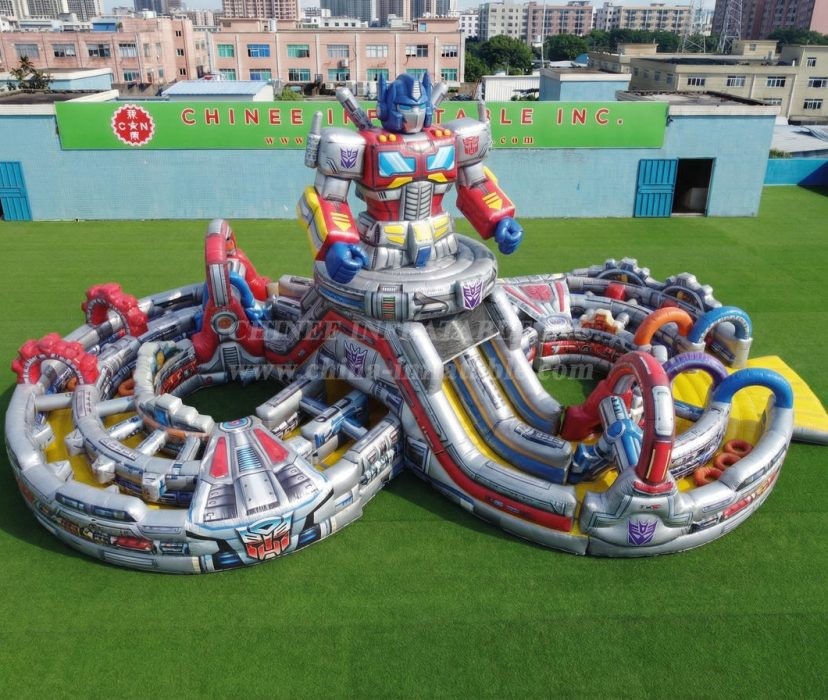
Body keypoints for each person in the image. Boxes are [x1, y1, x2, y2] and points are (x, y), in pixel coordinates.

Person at [299, 72, 523, 285]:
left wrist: (500, 220)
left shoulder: (448, 139)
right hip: (382, 247)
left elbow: (476, 183)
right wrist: (335, 244)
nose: (413, 114)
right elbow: (330, 198)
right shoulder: (363, 145)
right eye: (406, 108)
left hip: (441, 243)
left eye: (419, 108)